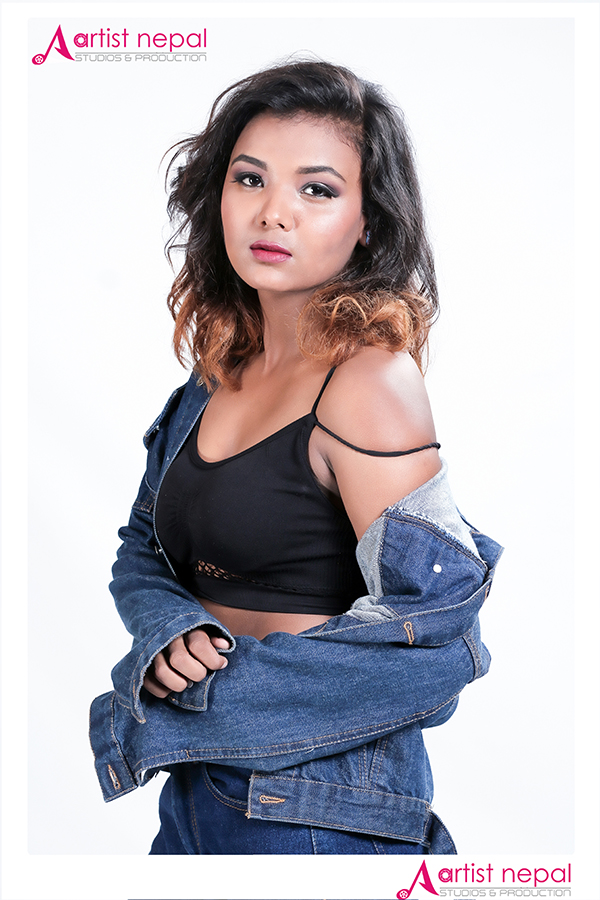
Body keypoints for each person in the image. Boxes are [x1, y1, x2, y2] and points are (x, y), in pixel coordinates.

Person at [89, 60, 502, 855]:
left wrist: (206, 704)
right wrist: (172, 629)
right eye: (250, 179)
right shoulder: (213, 378)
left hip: (320, 799)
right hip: (199, 788)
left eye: (316, 189)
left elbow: (438, 629)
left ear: (368, 220)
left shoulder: (368, 380)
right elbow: (141, 545)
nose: (273, 212)